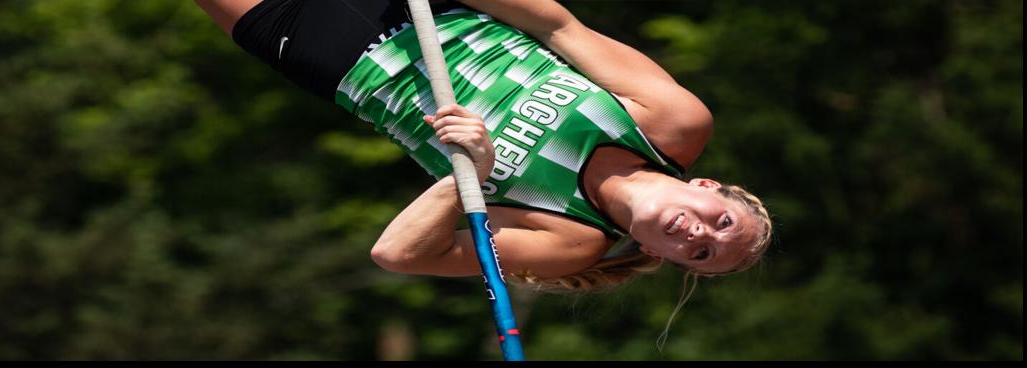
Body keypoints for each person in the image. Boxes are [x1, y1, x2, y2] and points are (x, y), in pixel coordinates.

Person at [195, 0, 772, 312]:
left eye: (699, 253)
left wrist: (466, 174)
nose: (700, 233)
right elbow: (557, 25)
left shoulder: (569, 241)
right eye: (721, 223)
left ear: (657, 253)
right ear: (708, 186)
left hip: (337, 54)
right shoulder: (673, 123)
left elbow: (397, 254)